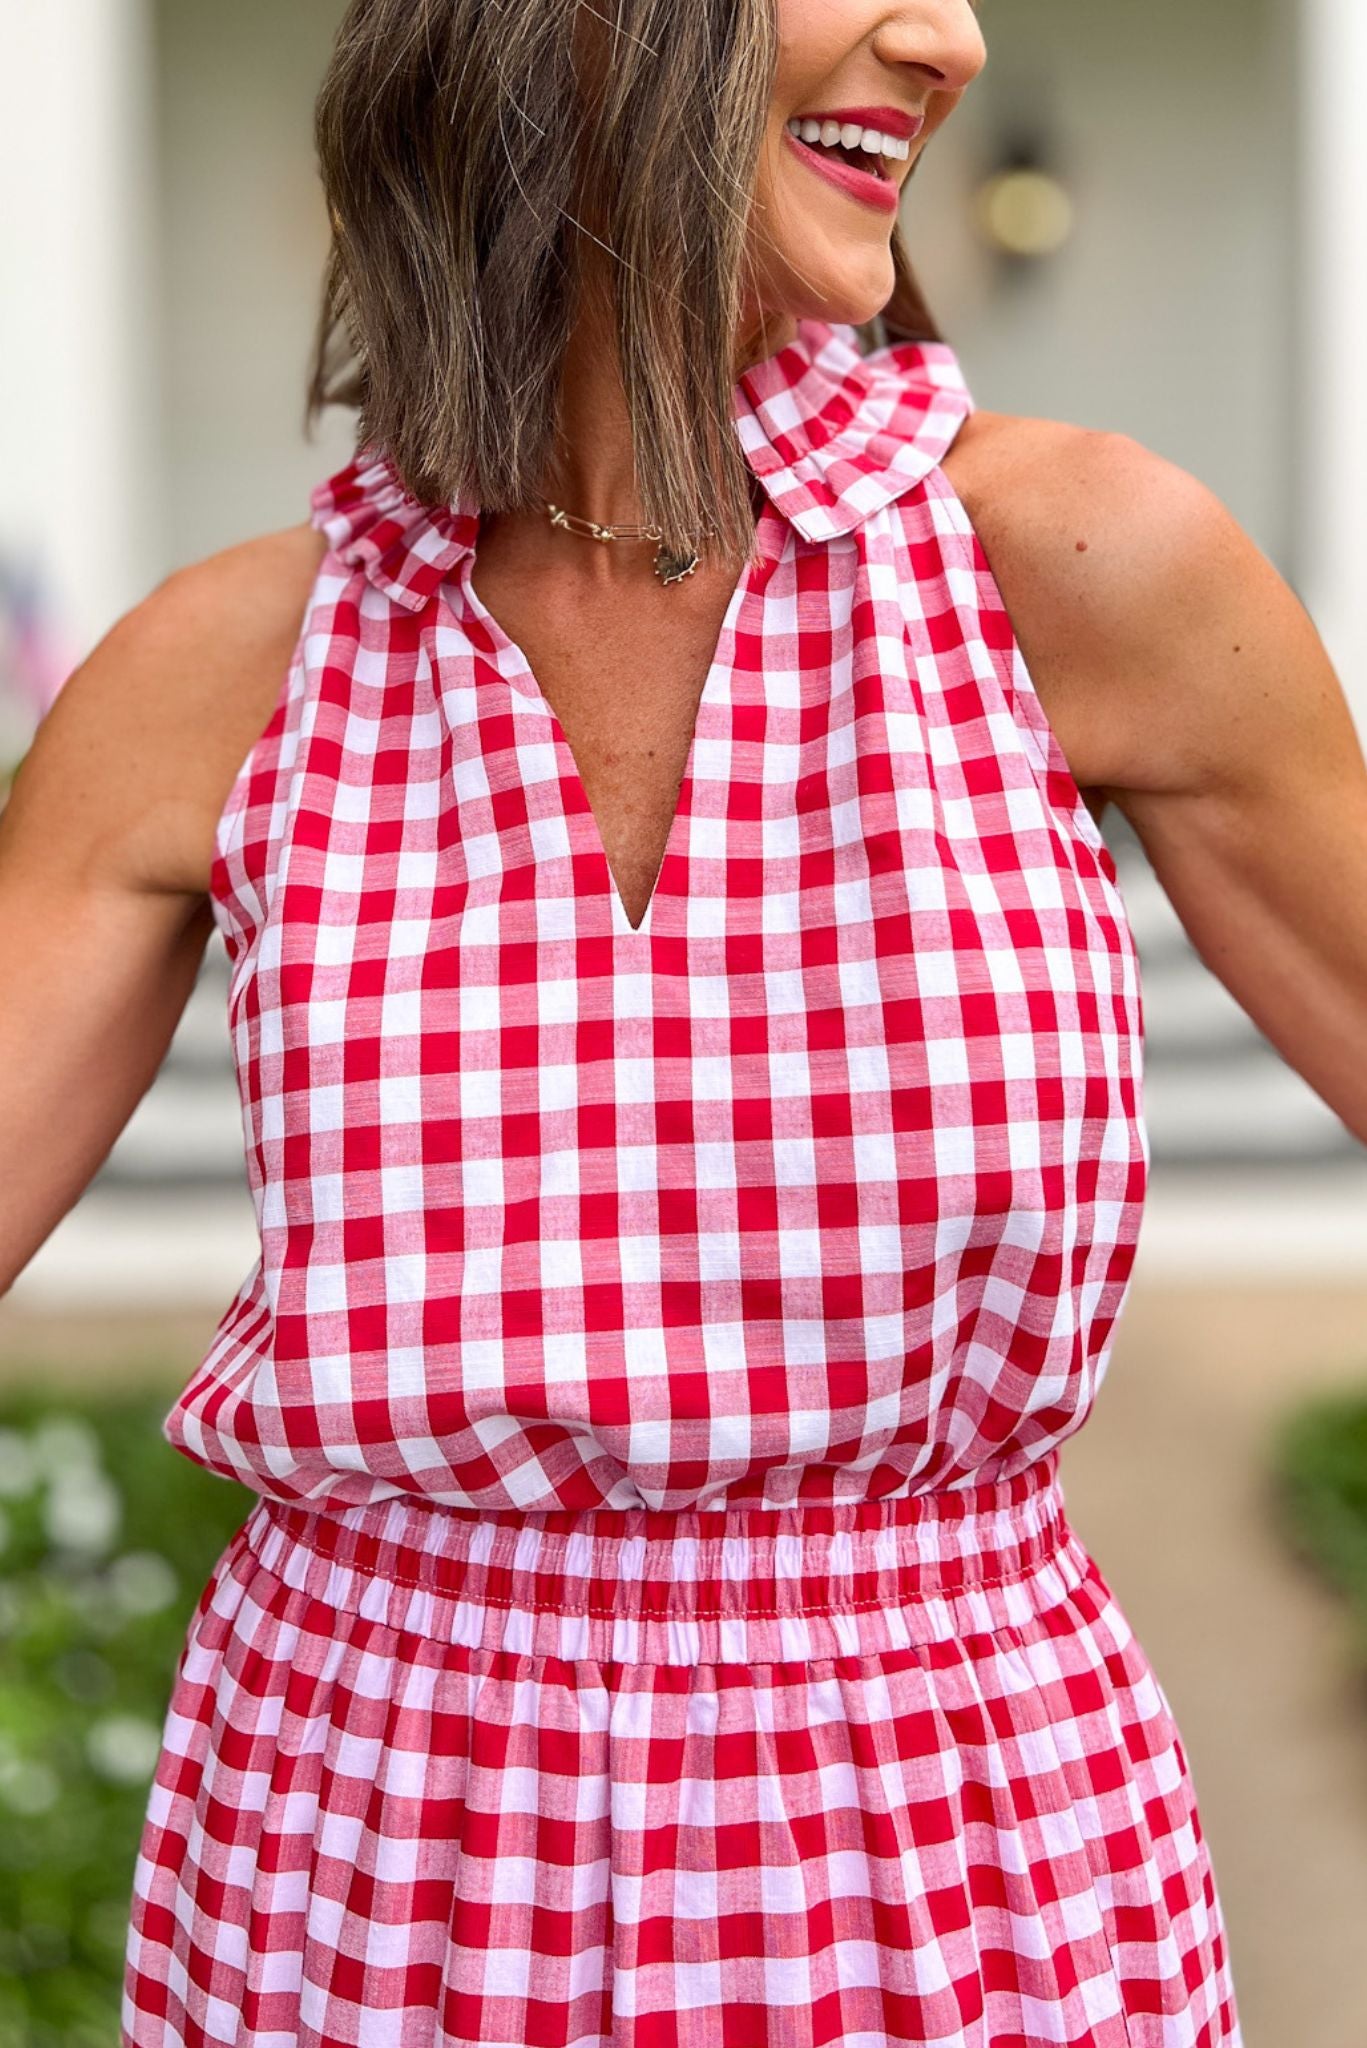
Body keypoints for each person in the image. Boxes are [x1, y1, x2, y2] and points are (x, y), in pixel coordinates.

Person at [3, 0, 1365, 2041]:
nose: (956, 40)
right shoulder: (213, 681)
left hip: (944, 1855)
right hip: (370, 1876)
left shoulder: (1085, 567)